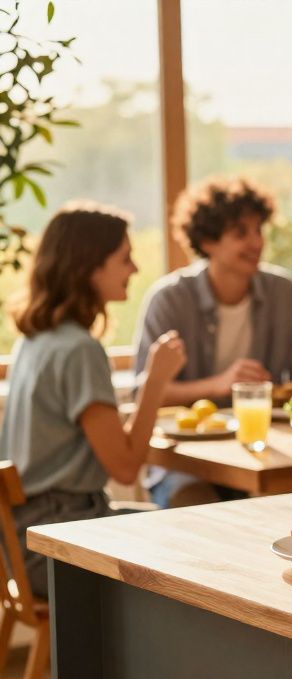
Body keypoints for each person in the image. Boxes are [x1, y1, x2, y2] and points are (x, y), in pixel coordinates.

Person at [0, 202, 187, 597]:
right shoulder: (79, 349)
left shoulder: (36, 340)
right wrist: (155, 381)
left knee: (181, 527)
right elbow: (125, 467)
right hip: (60, 536)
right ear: (89, 266)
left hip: (23, 540)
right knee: (188, 546)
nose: (134, 269)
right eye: (124, 258)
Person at [134, 176, 292, 507]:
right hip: (187, 464)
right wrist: (220, 384)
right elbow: (146, 395)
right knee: (196, 509)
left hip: (265, 454)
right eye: (241, 233)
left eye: (258, 230)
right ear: (207, 242)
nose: (256, 242)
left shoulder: (283, 292)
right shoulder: (169, 300)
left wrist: (291, 394)